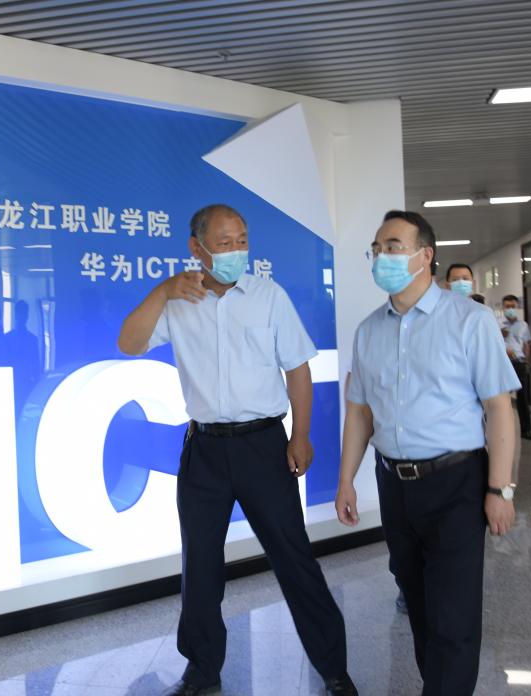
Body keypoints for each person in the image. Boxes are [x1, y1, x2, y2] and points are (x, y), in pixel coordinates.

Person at [118, 204, 356, 696]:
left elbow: (297, 368)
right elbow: (129, 343)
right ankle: (202, 670)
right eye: (225, 242)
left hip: (263, 445)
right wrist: (162, 291)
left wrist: (301, 435)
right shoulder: (178, 301)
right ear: (197, 247)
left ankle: (334, 669)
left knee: (294, 558)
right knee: (200, 566)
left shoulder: (269, 296)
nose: (236, 250)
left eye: (242, 240)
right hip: (204, 449)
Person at [335, 210, 519, 696]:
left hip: (457, 481)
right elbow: (360, 412)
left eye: (394, 247)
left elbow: (499, 408)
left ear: (425, 256)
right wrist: (346, 478)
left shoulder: (470, 320)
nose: (382, 257)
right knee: (417, 603)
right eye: (377, 249)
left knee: (453, 612)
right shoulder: (368, 331)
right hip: (394, 485)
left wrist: (500, 489)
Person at [501, 295, 531, 441]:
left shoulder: (523, 325)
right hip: (503, 364)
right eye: (507, 306)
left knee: (523, 398)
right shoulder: (497, 324)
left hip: (519, 363)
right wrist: (500, 335)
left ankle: (526, 430)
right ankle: (502, 430)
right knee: (501, 399)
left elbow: (527, 344)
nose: (510, 309)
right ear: (503, 307)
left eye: (512, 306)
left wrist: (526, 361)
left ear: (517, 307)